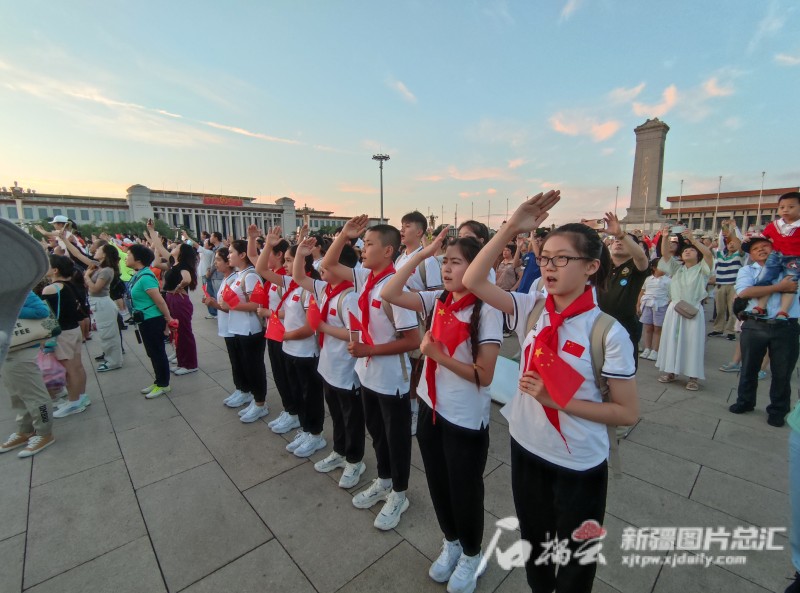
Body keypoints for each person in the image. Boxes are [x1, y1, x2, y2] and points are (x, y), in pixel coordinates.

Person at [463, 191, 638, 593]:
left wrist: (557, 400)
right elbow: (473, 280)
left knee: (576, 561)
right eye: (545, 258)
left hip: (578, 462)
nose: (549, 266)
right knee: (536, 545)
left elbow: (627, 412)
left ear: (591, 266)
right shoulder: (534, 309)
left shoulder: (607, 332)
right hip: (527, 446)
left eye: (562, 259)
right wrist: (511, 226)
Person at [384, 230, 502, 593]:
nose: (447, 269)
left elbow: (484, 375)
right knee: (437, 480)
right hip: (430, 407)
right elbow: (389, 292)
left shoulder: (487, 308)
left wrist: (438, 356)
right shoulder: (438, 299)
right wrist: (421, 256)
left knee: (464, 488)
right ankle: (451, 541)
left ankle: (472, 553)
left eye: (456, 263)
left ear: (476, 268)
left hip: (464, 416)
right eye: (444, 262)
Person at [323, 216, 421, 531]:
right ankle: (384, 480)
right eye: (362, 244)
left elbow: (413, 340)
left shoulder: (396, 288)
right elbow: (328, 264)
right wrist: (344, 235)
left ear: (388, 251)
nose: (363, 249)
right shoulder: (366, 277)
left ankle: (399, 494)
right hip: (366, 374)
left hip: (391, 379)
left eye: (368, 244)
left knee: (396, 439)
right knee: (377, 433)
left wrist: (371, 350)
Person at [292, 236, 366, 482]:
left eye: (327, 265)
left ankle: (354, 461)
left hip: (346, 370)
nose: (321, 268)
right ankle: (339, 451)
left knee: (351, 418)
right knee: (336, 414)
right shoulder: (325, 289)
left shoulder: (351, 296)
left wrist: (322, 327)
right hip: (328, 366)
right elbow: (299, 278)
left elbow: (355, 335)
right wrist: (300, 254)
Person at [259, 236, 324, 452]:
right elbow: (262, 269)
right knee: (297, 392)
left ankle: (316, 434)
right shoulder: (290, 284)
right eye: (285, 260)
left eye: (289, 261)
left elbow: (310, 327)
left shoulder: (310, 288)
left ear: (301, 261)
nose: (285, 265)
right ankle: (305, 429)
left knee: (310, 396)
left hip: (305, 352)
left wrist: (285, 336)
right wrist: (268, 245)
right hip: (289, 349)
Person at [729, 235, 799, 427]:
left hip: (786, 325)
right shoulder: (747, 270)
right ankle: (745, 401)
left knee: (782, 372)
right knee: (748, 367)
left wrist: (777, 287)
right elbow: (745, 292)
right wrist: (780, 287)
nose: (760, 250)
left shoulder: (790, 266)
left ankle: (778, 410)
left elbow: (793, 286)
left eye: (765, 246)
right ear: (751, 255)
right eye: (755, 248)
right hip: (755, 323)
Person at [396, 210, 444, 436]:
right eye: (402, 226)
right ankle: (409, 405)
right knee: (404, 365)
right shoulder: (400, 258)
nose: (402, 230)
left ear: (420, 232)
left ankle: (416, 411)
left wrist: (408, 293)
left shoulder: (428, 260)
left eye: (407, 226)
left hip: (419, 320)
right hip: (399, 318)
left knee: (417, 367)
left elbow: (437, 294)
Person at [655, 227, 714, 391]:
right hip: (674, 309)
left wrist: (693, 240)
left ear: (698, 255)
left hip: (693, 309)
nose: (687, 251)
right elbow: (665, 255)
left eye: (691, 250)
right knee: (671, 340)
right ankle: (671, 371)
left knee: (693, 342)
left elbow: (708, 255)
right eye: (685, 250)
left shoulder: (702, 269)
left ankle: (693, 377)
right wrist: (665, 237)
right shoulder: (677, 268)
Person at [251, 228, 297, 433]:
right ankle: (289, 410)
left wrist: (269, 313)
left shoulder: (285, 278)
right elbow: (255, 260)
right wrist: (255, 239)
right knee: (278, 374)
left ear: (278, 255)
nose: (263, 255)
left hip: (284, 333)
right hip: (273, 331)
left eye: (268, 252)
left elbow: (294, 311)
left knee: (286, 376)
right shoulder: (275, 276)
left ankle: (294, 412)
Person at [0, 291, 56, 457]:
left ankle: (44, 433)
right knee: (16, 394)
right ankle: (25, 430)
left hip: (22, 349)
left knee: (34, 395)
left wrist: (7, 310)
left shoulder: (19, 288)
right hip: (6, 349)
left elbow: (41, 311)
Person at [220, 240, 269, 423]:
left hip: (251, 329)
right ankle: (252, 398)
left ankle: (260, 403)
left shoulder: (251, 275)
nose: (228, 256)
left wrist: (232, 305)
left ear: (242, 255)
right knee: (246, 366)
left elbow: (256, 304)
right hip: (239, 328)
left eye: (231, 252)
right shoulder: (239, 275)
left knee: (254, 367)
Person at [60, 234, 123, 372]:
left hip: (103, 303)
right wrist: (64, 239)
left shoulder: (106, 270)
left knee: (108, 334)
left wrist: (87, 277)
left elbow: (95, 288)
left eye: (99, 249)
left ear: (105, 254)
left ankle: (113, 361)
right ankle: (111, 358)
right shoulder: (98, 266)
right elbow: (77, 254)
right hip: (98, 303)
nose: (95, 250)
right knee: (105, 333)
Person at [597, 213, 650, 367]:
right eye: (615, 240)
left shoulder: (635, 267)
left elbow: (641, 258)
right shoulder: (602, 266)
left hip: (624, 325)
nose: (618, 242)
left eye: (624, 240)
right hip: (599, 322)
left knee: (622, 368)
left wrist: (621, 234)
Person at [41, 255, 90, 418]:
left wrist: (45, 337)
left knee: (69, 370)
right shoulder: (71, 285)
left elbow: (47, 316)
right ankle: (81, 397)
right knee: (77, 366)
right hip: (74, 329)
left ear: (55, 270)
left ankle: (74, 401)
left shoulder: (50, 289)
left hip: (62, 333)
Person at [201, 247, 250, 406]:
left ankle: (246, 390)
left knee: (240, 362)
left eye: (218, 260)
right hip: (228, 327)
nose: (215, 263)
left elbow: (231, 307)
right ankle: (240, 388)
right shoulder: (227, 279)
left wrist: (214, 304)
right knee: (235, 362)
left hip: (233, 328)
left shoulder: (233, 279)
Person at [127, 244, 174, 399]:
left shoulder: (146, 277)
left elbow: (160, 301)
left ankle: (164, 384)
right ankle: (158, 381)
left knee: (158, 352)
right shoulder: (138, 275)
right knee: (152, 352)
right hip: (145, 320)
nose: (126, 258)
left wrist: (168, 320)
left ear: (138, 259)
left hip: (152, 320)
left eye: (129, 255)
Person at [752, 192, 800, 320]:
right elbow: (762, 238)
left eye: (791, 207)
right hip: (775, 255)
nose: (785, 210)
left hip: (794, 258)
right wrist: (749, 239)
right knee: (765, 278)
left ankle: (783, 311)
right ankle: (761, 306)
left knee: (790, 283)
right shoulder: (774, 225)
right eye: (782, 207)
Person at [708, 220, 745, 340]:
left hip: (733, 286)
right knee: (720, 310)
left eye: (734, 243)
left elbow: (740, 241)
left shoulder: (739, 255)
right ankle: (718, 329)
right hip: (720, 285)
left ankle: (730, 331)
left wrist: (734, 228)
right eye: (729, 243)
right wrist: (723, 226)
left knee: (732, 310)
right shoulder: (720, 255)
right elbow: (721, 241)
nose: (731, 245)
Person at [637, 259, 670, 361]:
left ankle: (655, 350)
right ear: (654, 268)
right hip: (647, 305)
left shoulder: (668, 280)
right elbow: (642, 292)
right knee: (648, 328)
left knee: (657, 328)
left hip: (661, 305)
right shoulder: (648, 279)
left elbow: (671, 295)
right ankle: (647, 348)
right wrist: (638, 305)